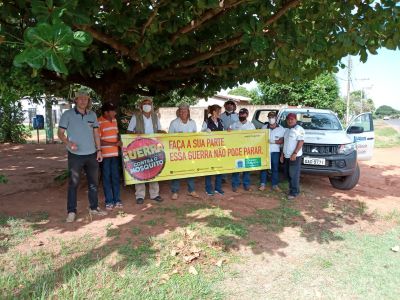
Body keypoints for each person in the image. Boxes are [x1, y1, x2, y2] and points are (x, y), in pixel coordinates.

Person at [57, 91, 107, 223]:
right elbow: (60, 133)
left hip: (92, 154)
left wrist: (99, 150)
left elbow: (96, 134)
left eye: (86, 99)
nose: (83, 101)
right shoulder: (67, 114)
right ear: (76, 100)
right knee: (73, 184)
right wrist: (69, 143)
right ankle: (71, 211)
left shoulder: (92, 115)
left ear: (88, 101)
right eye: (81, 99)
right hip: (75, 155)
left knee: (94, 183)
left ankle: (94, 208)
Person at [127, 97, 163, 204]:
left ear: (151, 106)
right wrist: (137, 136)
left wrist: (163, 134)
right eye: (145, 104)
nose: (147, 105)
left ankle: (154, 194)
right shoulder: (136, 117)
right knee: (140, 170)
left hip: (153, 147)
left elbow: (159, 130)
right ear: (141, 106)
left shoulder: (155, 117)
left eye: (149, 104)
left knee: (154, 169)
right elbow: (129, 131)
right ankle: (140, 195)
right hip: (139, 147)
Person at [168, 103, 200, 200]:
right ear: (178, 112)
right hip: (177, 152)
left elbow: (195, 137)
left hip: (190, 152)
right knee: (177, 171)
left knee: (190, 170)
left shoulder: (192, 122)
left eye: (185, 111)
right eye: (181, 111)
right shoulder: (174, 123)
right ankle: (175, 191)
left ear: (188, 112)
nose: (183, 112)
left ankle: (191, 190)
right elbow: (169, 137)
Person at [98, 102, 123, 210]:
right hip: (105, 156)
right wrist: (114, 144)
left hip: (115, 154)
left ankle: (117, 200)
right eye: (113, 111)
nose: (115, 113)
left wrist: (119, 141)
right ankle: (109, 201)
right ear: (106, 112)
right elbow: (98, 141)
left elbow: (116, 134)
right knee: (106, 178)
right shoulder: (98, 122)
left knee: (116, 177)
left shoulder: (114, 120)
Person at [230, 108, 256, 192]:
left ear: (247, 115)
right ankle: (235, 184)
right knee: (236, 167)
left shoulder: (251, 125)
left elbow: (255, 137)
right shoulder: (234, 125)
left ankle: (246, 185)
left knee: (247, 168)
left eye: (243, 114)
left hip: (247, 150)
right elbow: (228, 133)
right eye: (240, 114)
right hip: (237, 150)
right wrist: (228, 130)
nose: (241, 115)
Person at [201, 104, 225, 196]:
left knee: (219, 168)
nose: (220, 113)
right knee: (209, 169)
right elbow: (201, 133)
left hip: (219, 149)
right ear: (214, 112)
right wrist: (205, 131)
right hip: (209, 150)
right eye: (219, 111)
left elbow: (224, 133)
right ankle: (208, 189)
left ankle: (218, 188)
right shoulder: (207, 121)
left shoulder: (221, 121)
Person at [280, 113, 305, 199]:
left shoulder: (299, 129)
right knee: (288, 174)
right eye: (288, 119)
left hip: (295, 156)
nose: (290, 121)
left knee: (293, 174)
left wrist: (294, 153)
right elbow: (285, 144)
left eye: (292, 119)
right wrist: (282, 155)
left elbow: (301, 142)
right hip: (286, 156)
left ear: (295, 120)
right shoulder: (286, 130)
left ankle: (294, 192)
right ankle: (292, 189)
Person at [259, 111, 285, 192]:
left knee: (275, 168)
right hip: (265, 151)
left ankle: (275, 185)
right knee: (264, 168)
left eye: (273, 117)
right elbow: (259, 139)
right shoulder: (264, 127)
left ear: (276, 118)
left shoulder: (281, 129)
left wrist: (273, 142)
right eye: (270, 117)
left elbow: (282, 141)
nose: (271, 119)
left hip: (275, 151)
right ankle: (263, 184)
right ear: (268, 118)